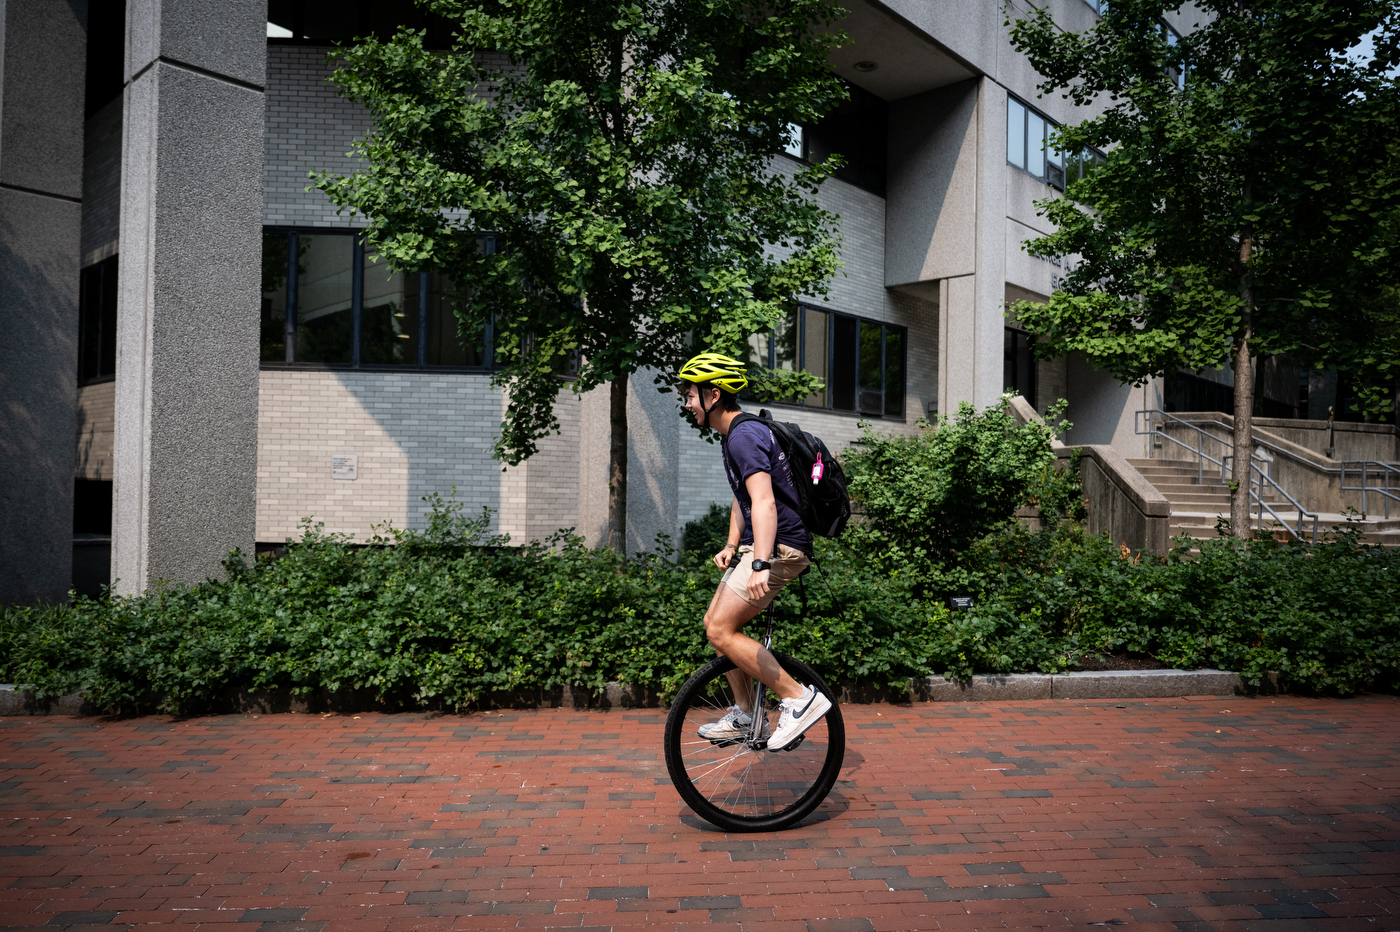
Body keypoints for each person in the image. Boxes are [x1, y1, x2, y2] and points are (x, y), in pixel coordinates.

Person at [676, 352, 832, 749]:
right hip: (767, 543)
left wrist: (761, 562)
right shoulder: (736, 434)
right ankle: (748, 715)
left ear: (713, 395)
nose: (687, 403)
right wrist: (732, 545)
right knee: (715, 626)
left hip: (781, 546)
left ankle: (798, 698)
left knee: (720, 628)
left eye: (690, 395)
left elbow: (764, 502)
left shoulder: (744, 435)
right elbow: (742, 498)